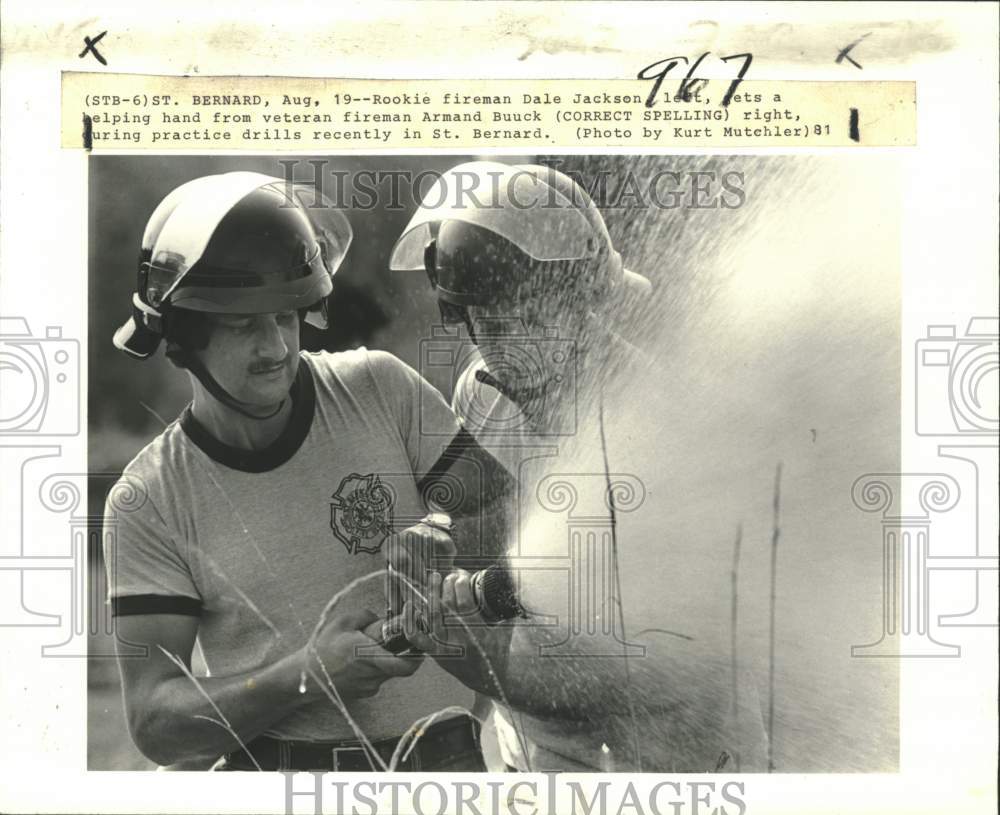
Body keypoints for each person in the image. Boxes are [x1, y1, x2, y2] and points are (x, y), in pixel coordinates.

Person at [103, 171, 509, 772]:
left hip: (446, 763)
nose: (275, 349)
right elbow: (155, 722)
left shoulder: (381, 386)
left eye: (286, 317)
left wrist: (447, 537)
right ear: (182, 336)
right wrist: (309, 676)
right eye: (243, 326)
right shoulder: (148, 500)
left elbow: (510, 519)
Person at [387, 161, 768, 772]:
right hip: (540, 754)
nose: (509, 349)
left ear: (583, 303)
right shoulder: (480, 394)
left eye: (531, 319)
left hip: (678, 757)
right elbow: (481, 534)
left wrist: (472, 628)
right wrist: (442, 551)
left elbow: (640, 644)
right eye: (487, 324)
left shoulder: (669, 403)